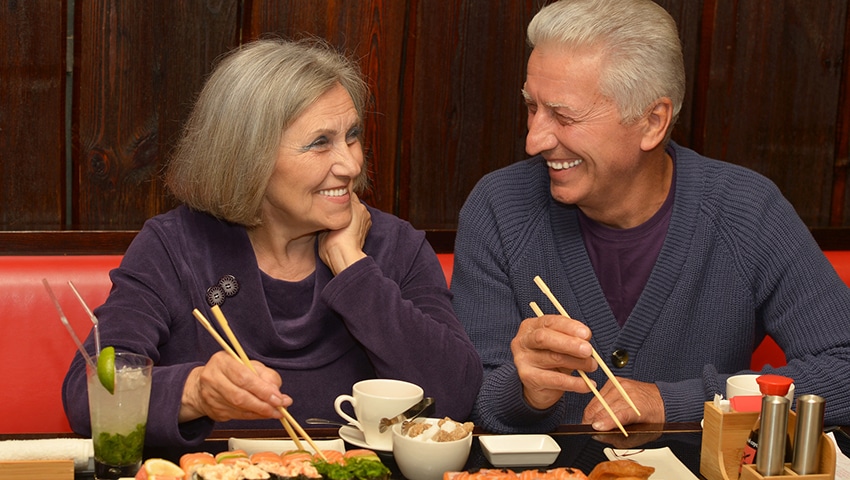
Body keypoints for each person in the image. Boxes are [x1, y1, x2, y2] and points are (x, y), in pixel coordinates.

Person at [451, 0, 850, 435]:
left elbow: (844, 367)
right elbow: (471, 404)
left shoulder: (746, 211)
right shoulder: (500, 207)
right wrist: (525, 390)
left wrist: (674, 401)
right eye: (532, 107)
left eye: (563, 116)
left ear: (652, 121)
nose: (534, 140)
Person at [63, 37, 483, 447]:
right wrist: (195, 392)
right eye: (321, 143)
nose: (351, 163)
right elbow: (89, 392)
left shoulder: (394, 246)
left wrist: (354, 268)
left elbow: (456, 395)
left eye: (352, 135)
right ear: (248, 156)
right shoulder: (175, 248)